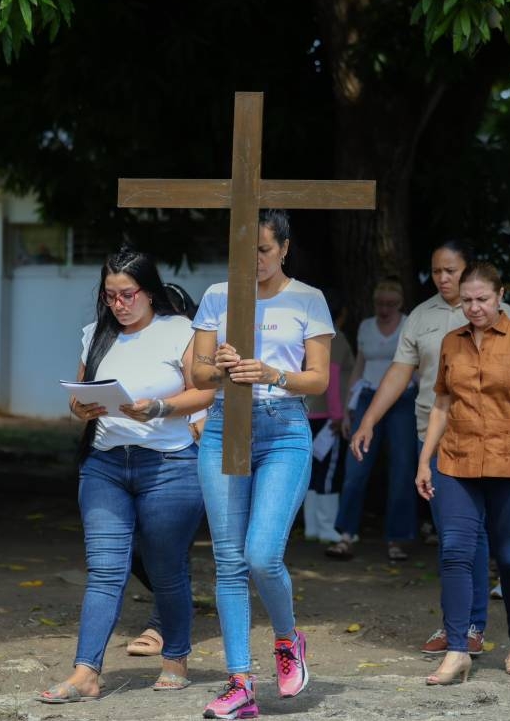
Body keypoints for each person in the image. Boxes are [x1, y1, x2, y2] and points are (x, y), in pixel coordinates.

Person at [38, 247, 214, 703]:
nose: (119, 304)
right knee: (104, 570)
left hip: (170, 466)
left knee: (166, 568)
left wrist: (159, 407)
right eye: (111, 295)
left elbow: (205, 392)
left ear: (150, 292)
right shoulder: (96, 333)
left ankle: (175, 659)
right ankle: (86, 672)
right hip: (106, 464)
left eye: (128, 294)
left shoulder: (181, 330)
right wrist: (82, 406)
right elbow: (76, 400)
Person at [191, 210, 333, 720]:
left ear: (285, 248)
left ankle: (286, 638)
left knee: (261, 554)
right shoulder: (216, 295)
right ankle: (240, 684)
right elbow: (198, 371)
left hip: (283, 429)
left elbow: (318, 381)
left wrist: (272, 371)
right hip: (225, 427)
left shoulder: (308, 299)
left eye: (264, 251)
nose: (254, 261)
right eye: (246, 251)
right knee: (227, 561)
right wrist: (221, 365)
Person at [348, 241, 510, 656]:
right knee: (455, 539)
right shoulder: (421, 317)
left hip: (490, 438)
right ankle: (459, 628)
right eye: (437, 271)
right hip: (436, 436)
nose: (444, 278)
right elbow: (399, 371)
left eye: (452, 271)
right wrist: (367, 420)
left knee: (490, 540)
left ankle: (478, 628)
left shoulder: (500, 313)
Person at [416, 262, 510, 685]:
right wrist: (424, 459)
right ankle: (457, 651)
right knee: (454, 551)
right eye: (466, 300)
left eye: (481, 299)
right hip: (456, 460)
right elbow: (441, 404)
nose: (473, 307)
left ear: (501, 295)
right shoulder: (452, 342)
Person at [126, 282, 207, 658]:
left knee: (169, 547)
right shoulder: (145, 358)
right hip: (138, 463)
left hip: (184, 468)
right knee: (127, 549)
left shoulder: (201, 361)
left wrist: (196, 428)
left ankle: (162, 627)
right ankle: (177, 600)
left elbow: (211, 413)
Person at [328, 277, 417, 560]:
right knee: (356, 466)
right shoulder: (366, 326)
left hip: (402, 399)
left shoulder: (409, 325)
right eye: (380, 303)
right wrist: (347, 409)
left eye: (391, 304)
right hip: (367, 396)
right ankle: (345, 534)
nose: (385, 309)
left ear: (401, 304)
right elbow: (358, 368)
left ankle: (397, 538)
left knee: (402, 467)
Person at [303, 288, 354, 544]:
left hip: (309, 412)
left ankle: (312, 526)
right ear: (342, 314)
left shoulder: (309, 335)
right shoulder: (337, 338)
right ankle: (327, 527)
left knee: (311, 470)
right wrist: (337, 415)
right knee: (329, 471)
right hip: (328, 416)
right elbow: (332, 378)